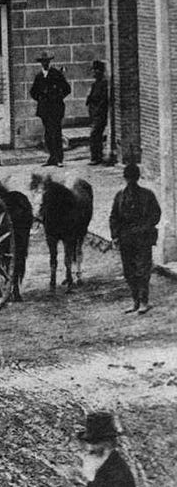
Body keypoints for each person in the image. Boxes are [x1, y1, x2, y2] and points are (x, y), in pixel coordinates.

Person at [109, 163, 162, 314]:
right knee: (129, 270)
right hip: (126, 238)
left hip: (143, 238)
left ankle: (144, 301)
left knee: (143, 269)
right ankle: (135, 301)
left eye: (133, 178)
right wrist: (114, 236)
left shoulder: (147, 195)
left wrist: (144, 228)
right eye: (128, 179)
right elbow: (113, 217)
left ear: (137, 178)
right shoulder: (120, 196)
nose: (130, 181)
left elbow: (155, 214)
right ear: (125, 179)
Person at [30, 52, 71, 167]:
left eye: (47, 61)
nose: (45, 63)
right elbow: (33, 92)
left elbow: (67, 89)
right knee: (48, 134)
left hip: (56, 108)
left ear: (49, 62)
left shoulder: (56, 74)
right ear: (41, 63)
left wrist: (58, 98)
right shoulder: (39, 76)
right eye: (43, 61)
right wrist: (40, 98)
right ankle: (52, 157)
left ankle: (59, 158)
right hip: (44, 110)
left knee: (56, 133)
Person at [86, 60, 111, 166]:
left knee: (94, 134)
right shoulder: (94, 84)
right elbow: (89, 100)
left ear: (100, 71)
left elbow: (103, 101)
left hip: (100, 115)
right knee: (95, 135)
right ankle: (96, 156)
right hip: (94, 115)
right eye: (93, 70)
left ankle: (96, 157)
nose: (93, 72)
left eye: (96, 70)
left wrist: (97, 111)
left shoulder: (103, 85)